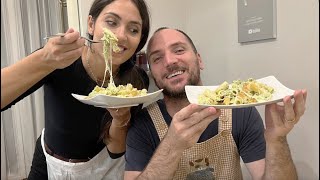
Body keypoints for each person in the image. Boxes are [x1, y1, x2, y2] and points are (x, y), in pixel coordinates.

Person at [124, 27, 307, 180]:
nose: (170, 61)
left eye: (179, 50)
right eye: (157, 58)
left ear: (199, 59)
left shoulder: (240, 112)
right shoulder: (142, 124)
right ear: (153, 75)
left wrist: (277, 140)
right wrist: (172, 145)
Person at [1, 0, 150, 179]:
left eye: (133, 30)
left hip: (101, 169)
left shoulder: (137, 80)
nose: (120, 35)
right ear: (91, 24)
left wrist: (121, 120)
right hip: (48, 162)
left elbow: (115, 150)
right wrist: (44, 59)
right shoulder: (61, 60)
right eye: (111, 22)